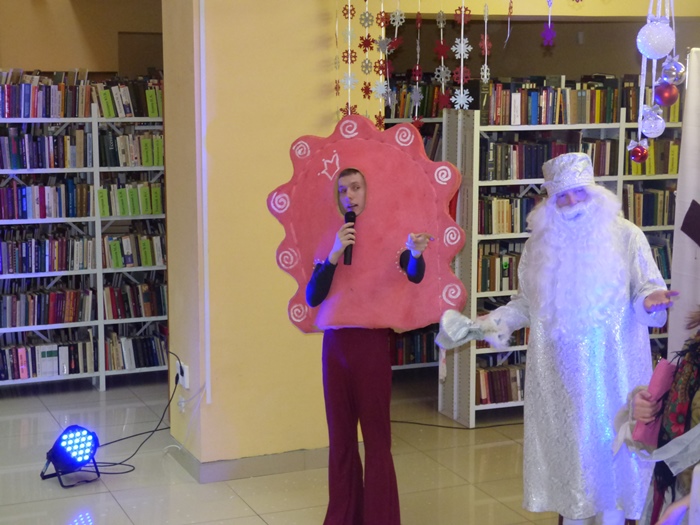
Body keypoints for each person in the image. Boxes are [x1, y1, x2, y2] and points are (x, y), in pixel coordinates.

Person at [437, 152, 678, 525]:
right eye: (562, 196)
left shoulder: (627, 236)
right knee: (572, 468)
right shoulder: (539, 246)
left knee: (613, 468)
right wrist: (484, 324)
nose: (572, 202)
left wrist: (650, 300)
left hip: (614, 375)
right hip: (560, 383)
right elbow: (526, 303)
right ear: (550, 200)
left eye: (579, 192)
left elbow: (647, 287)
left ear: (594, 192)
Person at [306, 167, 432, 525]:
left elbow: (413, 272)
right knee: (340, 439)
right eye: (343, 190)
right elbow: (313, 296)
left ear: (367, 191)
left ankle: (380, 517)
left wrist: (416, 254)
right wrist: (334, 254)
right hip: (335, 346)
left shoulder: (389, 230)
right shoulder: (330, 235)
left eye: (356, 188)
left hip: (371, 345)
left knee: (377, 440)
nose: (350, 196)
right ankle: (343, 516)